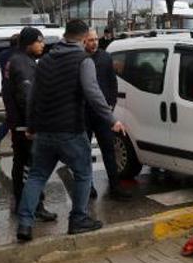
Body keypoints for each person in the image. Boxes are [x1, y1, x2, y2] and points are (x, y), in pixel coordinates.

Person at [16, 19, 126, 242]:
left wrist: (31, 126)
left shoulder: (45, 60)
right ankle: (78, 220)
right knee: (84, 173)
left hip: (44, 131)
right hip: (70, 131)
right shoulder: (83, 61)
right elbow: (93, 93)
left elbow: (33, 96)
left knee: (36, 176)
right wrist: (111, 119)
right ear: (84, 38)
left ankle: (25, 225)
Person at [4, 27, 57, 221]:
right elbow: (27, 98)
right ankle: (35, 205)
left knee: (20, 165)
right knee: (33, 168)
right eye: (39, 41)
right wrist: (34, 125)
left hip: (17, 123)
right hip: (26, 126)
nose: (43, 45)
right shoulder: (23, 64)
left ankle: (21, 203)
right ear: (28, 43)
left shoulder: (14, 60)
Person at [83, 28, 131, 200]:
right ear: (83, 41)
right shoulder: (80, 59)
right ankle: (87, 187)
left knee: (109, 151)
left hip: (103, 114)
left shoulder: (105, 57)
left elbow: (112, 83)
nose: (94, 42)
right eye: (90, 40)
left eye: (96, 39)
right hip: (84, 114)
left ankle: (115, 187)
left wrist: (110, 105)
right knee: (84, 153)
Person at [0, 34, 20, 161]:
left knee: (11, 118)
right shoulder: (19, 56)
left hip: (6, 90)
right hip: (16, 90)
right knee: (14, 119)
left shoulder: (3, 55)